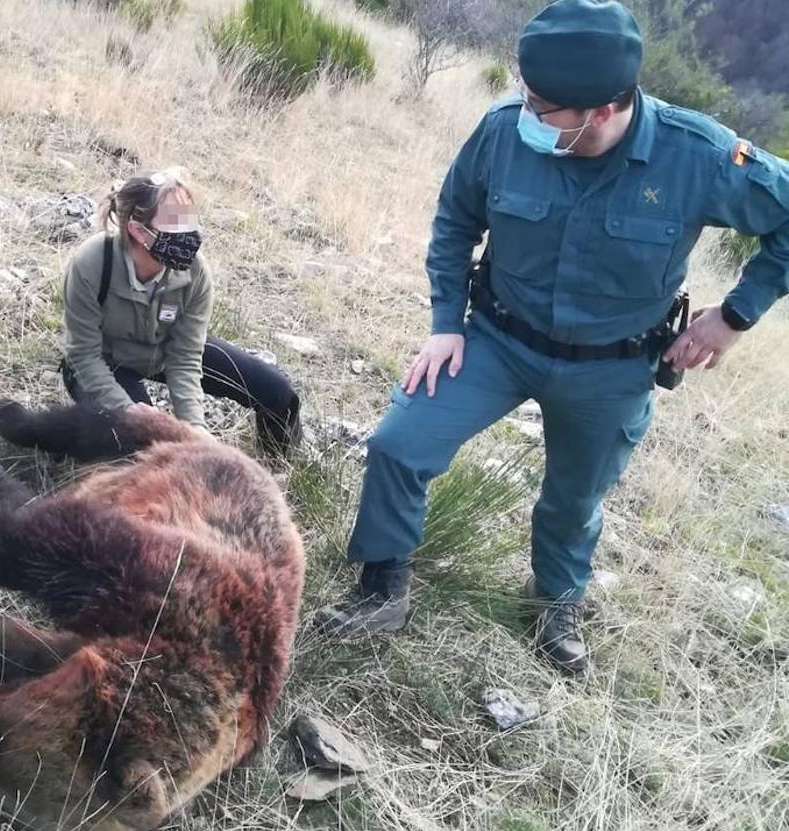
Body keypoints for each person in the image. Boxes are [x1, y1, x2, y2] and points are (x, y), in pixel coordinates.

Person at [320, 0, 789, 673]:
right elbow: (455, 219)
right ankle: (382, 586)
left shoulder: (700, 156)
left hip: (611, 367)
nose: (525, 112)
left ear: (601, 110)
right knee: (400, 443)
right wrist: (446, 325)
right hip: (499, 341)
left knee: (574, 501)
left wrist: (734, 317)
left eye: (542, 106)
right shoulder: (503, 131)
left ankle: (553, 605)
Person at [60, 169, 302, 455]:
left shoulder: (195, 270)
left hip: (163, 353)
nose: (188, 234)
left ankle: (276, 466)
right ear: (138, 230)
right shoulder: (92, 263)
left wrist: (193, 426)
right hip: (104, 363)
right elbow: (84, 356)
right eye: (175, 224)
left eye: (189, 219)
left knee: (277, 392)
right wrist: (128, 411)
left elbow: (186, 356)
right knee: (143, 445)